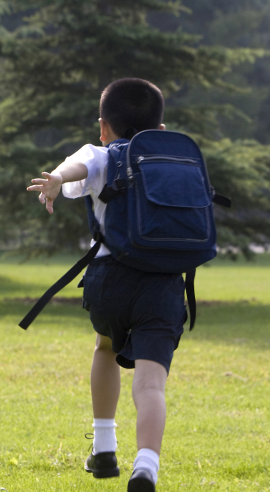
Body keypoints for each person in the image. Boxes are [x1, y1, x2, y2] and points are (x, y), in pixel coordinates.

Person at [26, 78, 184, 492]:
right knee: (151, 383)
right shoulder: (174, 160)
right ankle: (146, 465)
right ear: (161, 131)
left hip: (110, 282)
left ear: (103, 127)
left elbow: (77, 166)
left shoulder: (101, 153)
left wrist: (57, 179)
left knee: (106, 347)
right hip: (164, 285)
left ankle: (105, 447)